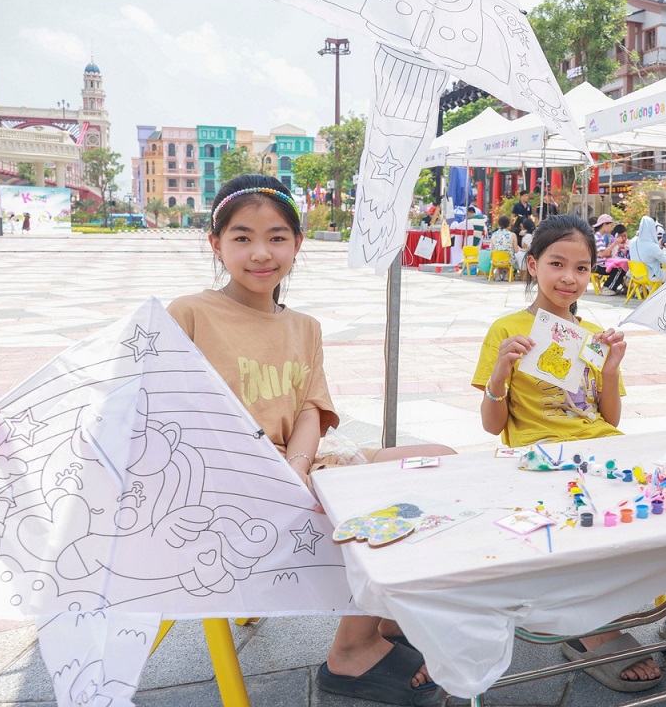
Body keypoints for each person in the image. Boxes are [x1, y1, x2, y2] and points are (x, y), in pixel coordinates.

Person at [168, 174, 453, 706]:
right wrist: (282, 477)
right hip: (231, 483)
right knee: (378, 500)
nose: (260, 253)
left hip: (305, 464)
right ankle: (350, 652)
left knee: (442, 464)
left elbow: (309, 409)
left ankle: (385, 622)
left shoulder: (304, 326)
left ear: (298, 244)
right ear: (216, 243)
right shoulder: (188, 314)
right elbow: (168, 420)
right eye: (242, 237)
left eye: (277, 237)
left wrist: (295, 470)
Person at [471, 214, 666, 692]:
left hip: (602, 446)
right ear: (532, 264)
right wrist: (499, 373)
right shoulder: (507, 330)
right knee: (591, 513)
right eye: (557, 264)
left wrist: (612, 369)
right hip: (540, 456)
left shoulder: (589, 333)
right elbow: (495, 427)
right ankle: (596, 631)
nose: (569, 278)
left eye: (581, 268)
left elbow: (607, 419)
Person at [630, 215, 666, 282]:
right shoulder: (652, 246)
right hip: (651, 276)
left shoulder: (632, 241)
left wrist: (658, 246)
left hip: (637, 275)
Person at [590, 214, 625, 294]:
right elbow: (601, 254)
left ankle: (609, 287)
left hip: (598, 263)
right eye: (611, 225)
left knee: (618, 268)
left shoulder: (599, 236)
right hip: (598, 265)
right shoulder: (598, 237)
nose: (612, 228)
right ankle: (607, 287)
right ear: (605, 225)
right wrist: (614, 244)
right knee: (619, 269)